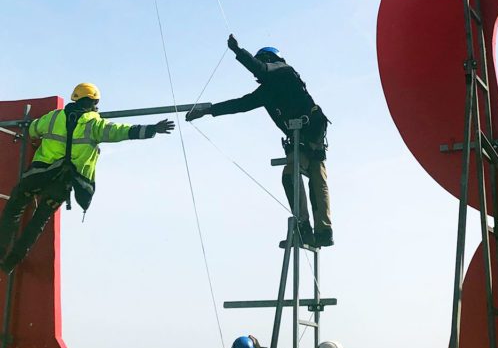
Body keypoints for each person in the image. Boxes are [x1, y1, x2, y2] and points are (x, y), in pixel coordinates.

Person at [0, 83, 174, 274]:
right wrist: (152, 129)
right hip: (64, 182)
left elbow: (33, 130)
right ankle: (11, 262)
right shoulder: (95, 125)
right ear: (93, 102)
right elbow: (122, 131)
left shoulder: (53, 117)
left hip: (39, 176)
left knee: (14, 209)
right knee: (38, 221)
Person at [187, 34, 333, 248]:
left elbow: (261, 70)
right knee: (306, 177)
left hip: (310, 130)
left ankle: (314, 230)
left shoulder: (285, 72)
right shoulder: (268, 91)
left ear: (270, 59)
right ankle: (314, 230)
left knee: (305, 177)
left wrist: (238, 51)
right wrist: (208, 111)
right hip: (306, 132)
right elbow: (241, 104)